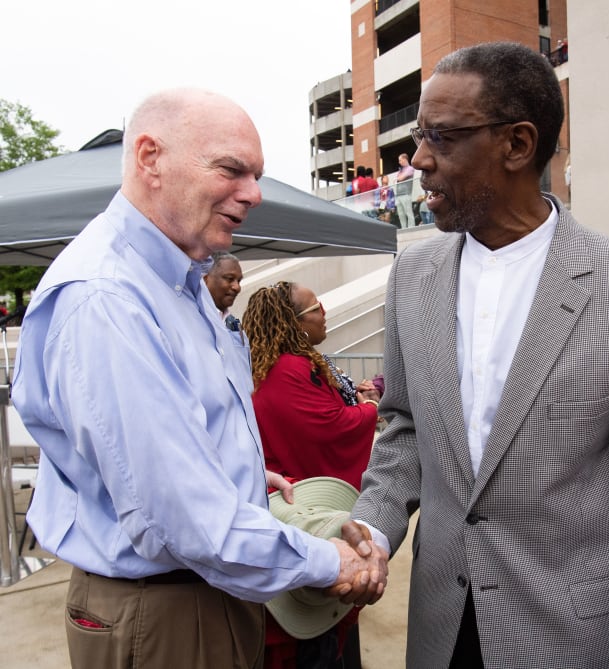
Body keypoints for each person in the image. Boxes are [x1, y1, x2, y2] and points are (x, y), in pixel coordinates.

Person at [345, 42, 609, 668]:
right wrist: (371, 528)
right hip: (441, 632)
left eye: (443, 138)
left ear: (516, 145)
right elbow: (403, 429)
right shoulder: (412, 275)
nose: (418, 162)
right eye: (418, 138)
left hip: (574, 639)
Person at [11, 88, 388, 669]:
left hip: (202, 596)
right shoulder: (109, 299)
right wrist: (332, 561)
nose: (254, 194)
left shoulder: (176, 284)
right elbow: (184, 519)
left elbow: (164, 449)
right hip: (164, 611)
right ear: (149, 159)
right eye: (231, 169)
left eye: (257, 175)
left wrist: (238, 472)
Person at [242, 281, 380, 668]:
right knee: (313, 638)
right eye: (316, 307)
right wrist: (368, 409)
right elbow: (328, 428)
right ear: (295, 323)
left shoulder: (274, 364)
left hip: (292, 512)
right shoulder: (289, 368)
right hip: (302, 513)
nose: (325, 312)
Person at [203, 251, 243, 317]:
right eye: (230, 278)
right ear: (205, 280)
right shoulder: (191, 317)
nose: (237, 287)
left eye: (239, 281)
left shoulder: (231, 322)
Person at [395, 153, 415, 228]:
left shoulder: (410, 168)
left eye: (400, 160)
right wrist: (399, 177)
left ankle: (412, 228)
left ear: (404, 159)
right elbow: (397, 179)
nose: (399, 162)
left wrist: (399, 178)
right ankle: (404, 228)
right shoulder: (401, 171)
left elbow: (400, 178)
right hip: (399, 195)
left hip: (406, 194)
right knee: (401, 214)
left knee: (408, 213)